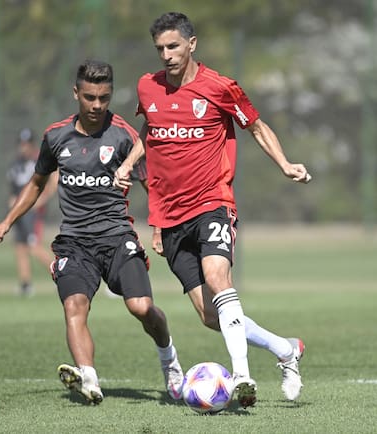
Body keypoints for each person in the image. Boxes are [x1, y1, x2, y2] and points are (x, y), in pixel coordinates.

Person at [114, 12, 312, 407]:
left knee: (218, 277)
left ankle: (241, 376)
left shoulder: (220, 87)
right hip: (170, 217)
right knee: (209, 315)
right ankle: (286, 350)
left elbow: (255, 126)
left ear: (192, 44)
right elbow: (150, 132)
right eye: (160, 49)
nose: (166, 55)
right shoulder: (147, 87)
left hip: (212, 202)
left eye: (173, 46)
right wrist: (127, 164)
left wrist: (285, 164)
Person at [0, 60, 184, 405]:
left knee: (141, 308)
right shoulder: (55, 136)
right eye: (90, 97)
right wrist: (8, 220)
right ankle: (89, 378)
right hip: (74, 242)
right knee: (74, 306)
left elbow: (151, 185)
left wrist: (158, 228)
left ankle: (168, 357)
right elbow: (36, 184)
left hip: (116, 236)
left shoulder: (124, 135)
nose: (97, 105)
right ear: (76, 93)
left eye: (104, 98)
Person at [6, 128, 56, 295]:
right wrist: (12, 199)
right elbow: (14, 188)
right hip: (18, 211)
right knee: (20, 247)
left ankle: (61, 274)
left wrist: (41, 200)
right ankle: (25, 285)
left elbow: (52, 181)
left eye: (27, 144)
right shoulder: (16, 164)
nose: (23, 147)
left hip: (33, 212)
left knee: (35, 247)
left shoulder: (39, 160)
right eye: (21, 144)